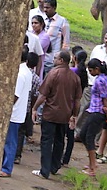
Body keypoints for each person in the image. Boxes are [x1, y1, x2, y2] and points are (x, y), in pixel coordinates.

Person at [31, 51, 82, 179]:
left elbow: (43, 95)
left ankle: (45, 170)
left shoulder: (53, 73)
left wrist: (35, 108)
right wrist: (74, 115)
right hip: (65, 114)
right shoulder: (75, 77)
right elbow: (77, 101)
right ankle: (54, 167)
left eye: (55, 58)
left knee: (47, 141)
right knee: (60, 141)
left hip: (50, 113)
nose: (53, 60)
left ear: (61, 60)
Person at [1, 47, 33, 177]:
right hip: (19, 111)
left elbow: (15, 95)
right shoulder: (28, 71)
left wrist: (6, 108)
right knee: (10, 140)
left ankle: (6, 168)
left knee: (10, 141)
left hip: (13, 113)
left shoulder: (20, 74)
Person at [78, 58, 107, 177]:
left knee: (89, 137)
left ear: (97, 69)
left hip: (98, 112)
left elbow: (106, 99)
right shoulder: (104, 79)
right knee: (83, 135)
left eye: (91, 70)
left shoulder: (100, 81)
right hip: (94, 111)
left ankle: (93, 167)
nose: (90, 73)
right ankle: (91, 163)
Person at [15, 51, 42, 165]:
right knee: (21, 132)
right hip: (27, 108)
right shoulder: (36, 79)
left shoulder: (20, 73)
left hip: (17, 107)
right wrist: (32, 108)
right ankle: (17, 155)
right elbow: (36, 95)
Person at [62, 49, 88, 166]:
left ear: (74, 58)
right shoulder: (83, 72)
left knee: (62, 132)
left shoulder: (72, 71)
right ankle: (66, 158)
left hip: (67, 103)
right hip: (76, 104)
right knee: (71, 132)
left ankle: (60, 155)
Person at [43, 0, 70, 71]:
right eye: (44, 7)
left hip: (52, 59)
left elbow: (66, 41)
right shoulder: (42, 19)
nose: (45, 10)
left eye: (48, 8)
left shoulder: (62, 21)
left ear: (54, 8)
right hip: (40, 57)